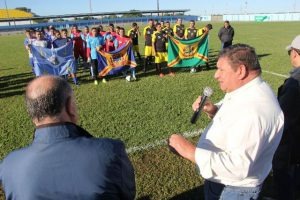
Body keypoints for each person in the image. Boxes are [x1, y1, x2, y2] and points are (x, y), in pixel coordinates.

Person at [168, 44, 284, 200]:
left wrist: (189, 151)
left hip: (233, 190)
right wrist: (214, 110)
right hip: (226, 184)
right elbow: (236, 118)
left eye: (221, 69)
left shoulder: (254, 110)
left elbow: (237, 167)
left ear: (241, 71)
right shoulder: (248, 90)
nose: (216, 75)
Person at [0, 75, 136, 200]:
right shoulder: (110, 151)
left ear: (33, 115)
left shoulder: (8, 166)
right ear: (69, 106)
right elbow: (127, 195)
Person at [272, 35, 300, 200]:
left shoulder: (293, 84)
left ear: (295, 53)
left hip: (291, 142)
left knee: (284, 173)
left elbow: (281, 119)